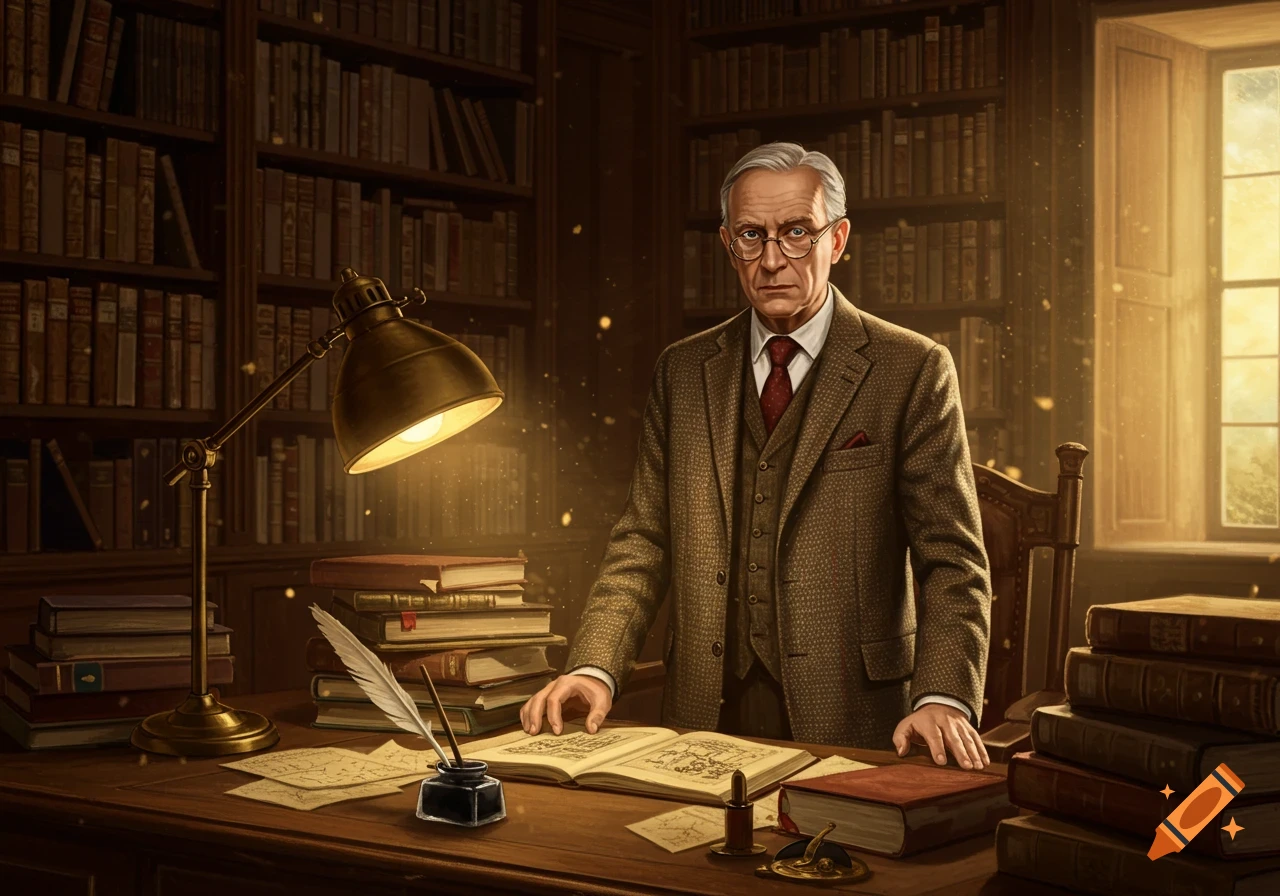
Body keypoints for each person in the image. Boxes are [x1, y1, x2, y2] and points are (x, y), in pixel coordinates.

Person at [520, 142, 992, 769]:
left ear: (838, 239)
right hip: (701, 717)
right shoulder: (683, 371)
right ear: (726, 244)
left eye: (797, 232)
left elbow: (953, 562)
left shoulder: (913, 368)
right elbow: (643, 542)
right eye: (752, 236)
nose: (772, 260)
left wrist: (943, 696)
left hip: (854, 717)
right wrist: (595, 666)